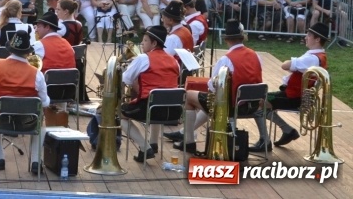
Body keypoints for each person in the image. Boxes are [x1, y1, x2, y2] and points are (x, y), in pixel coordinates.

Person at [171, 20, 267, 154]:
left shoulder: (226, 59)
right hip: (253, 105)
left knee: (189, 96)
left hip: (231, 107)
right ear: (242, 37)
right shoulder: (255, 55)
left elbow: (212, 86)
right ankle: (184, 132)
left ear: (226, 39)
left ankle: (188, 141)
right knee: (209, 100)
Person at [0, 30, 49, 175]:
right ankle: (35, 161)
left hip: (1, 119)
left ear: (10, 49)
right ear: (28, 53)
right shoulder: (37, 74)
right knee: (42, 118)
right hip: (28, 122)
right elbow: (44, 103)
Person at [264, 22, 329, 148]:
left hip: (294, 97)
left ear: (317, 39)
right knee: (261, 98)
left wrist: (292, 64)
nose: (305, 37)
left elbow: (285, 65)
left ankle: (281, 133)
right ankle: (286, 131)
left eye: (309, 35)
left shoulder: (312, 58)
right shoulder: (318, 55)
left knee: (259, 101)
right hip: (294, 94)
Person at [121, 25, 180, 162]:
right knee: (158, 100)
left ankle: (145, 147)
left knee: (120, 114)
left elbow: (126, 79)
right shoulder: (174, 61)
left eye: (145, 40)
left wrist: (137, 81)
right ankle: (153, 143)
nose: (142, 43)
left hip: (150, 109)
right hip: (173, 111)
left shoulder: (143, 58)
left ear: (153, 43)